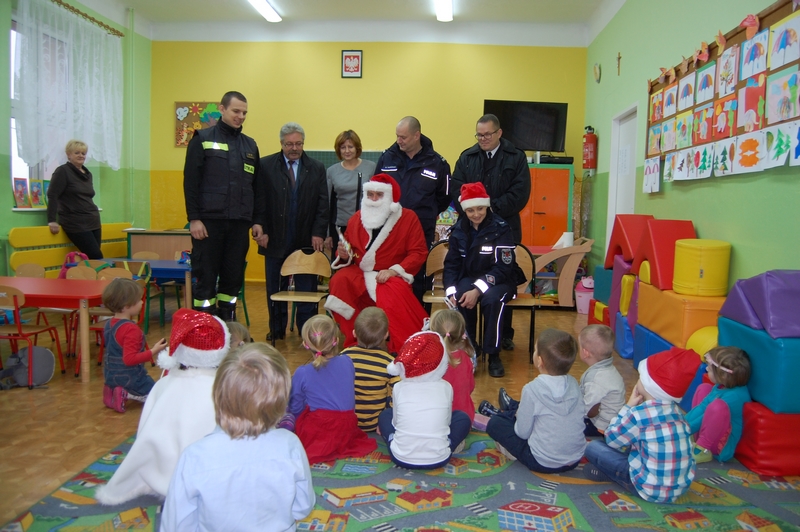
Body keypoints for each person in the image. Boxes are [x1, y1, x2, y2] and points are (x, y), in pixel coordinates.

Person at [160, 344, 315, 530]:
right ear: (280, 401)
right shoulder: (290, 445)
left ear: (218, 394)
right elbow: (302, 507)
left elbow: (175, 524)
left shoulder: (194, 456)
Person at [95, 309, 231, 505]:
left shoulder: (164, 384)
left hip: (160, 466)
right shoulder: (223, 389)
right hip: (207, 470)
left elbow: (146, 428)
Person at [183, 91, 265, 321]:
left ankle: (228, 326)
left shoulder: (250, 145)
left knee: (233, 279)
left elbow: (256, 187)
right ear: (222, 109)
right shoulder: (202, 138)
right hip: (209, 224)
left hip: (239, 224)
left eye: (244, 113)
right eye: (236, 111)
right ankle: (204, 327)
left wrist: (258, 220)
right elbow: (191, 182)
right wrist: (194, 219)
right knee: (206, 277)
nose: (241, 116)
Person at [452, 114, 531, 351]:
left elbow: (520, 193)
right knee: (469, 277)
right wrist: (474, 211)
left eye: (487, 134)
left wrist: (488, 210)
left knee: (502, 279)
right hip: (472, 230)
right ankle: (471, 340)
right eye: (479, 135)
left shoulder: (516, 157)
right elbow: (456, 189)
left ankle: (503, 334)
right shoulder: (467, 157)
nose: (483, 139)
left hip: (505, 228)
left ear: (499, 133)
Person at [325, 174, 429, 353]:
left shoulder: (408, 218)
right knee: (340, 281)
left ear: (389, 197)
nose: (373, 199)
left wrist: (394, 271)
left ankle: (396, 345)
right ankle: (356, 340)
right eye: (370, 194)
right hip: (361, 272)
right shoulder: (356, 219)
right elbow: (349, 250)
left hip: (391, 274)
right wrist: (343, 254)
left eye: (379, 195)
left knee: (391, 292)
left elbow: (418, 252)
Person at [583, 347, 701, 503]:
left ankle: (612, 475)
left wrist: (628, 407)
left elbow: (611, 439)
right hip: (679, 488)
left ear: (647, 384)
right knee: (632, 443)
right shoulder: (678, 414)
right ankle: (610, 473)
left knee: (593, 447)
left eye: (640, 376)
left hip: (647, 488)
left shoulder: (639, 414)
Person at [443, 182, 524, 378]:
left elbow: (504, 267)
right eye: (470, 210)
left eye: (480, 208)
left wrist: (478, 290)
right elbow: (451, 265)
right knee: (461, 296)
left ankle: (493, 354)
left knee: (492, 300)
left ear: (487, 206)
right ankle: (472, 349)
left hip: (501, 279)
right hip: (470, 277)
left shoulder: (501, 228)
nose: (476, 214)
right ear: (464, 210)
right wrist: (451, 292)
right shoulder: (459, 230)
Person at [258, 122, 328, 341]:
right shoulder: (265, 165)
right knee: (275, 288)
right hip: (274, 237)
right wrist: (261, 228)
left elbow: (322, 204)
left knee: (306, 289)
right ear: (281, 143)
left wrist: (318, 232)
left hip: (306, 239)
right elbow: (259, 200)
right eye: (289, 144)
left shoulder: (316, 168)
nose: (294, 148)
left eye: (298, 143)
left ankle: (307, 331)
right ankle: (277, 329)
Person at [482, 329, 585, 473]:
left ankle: (505, 413)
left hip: (542, 462)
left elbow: (522, 433)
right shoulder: (574, 383)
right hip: (574, 458)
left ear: (540, 361)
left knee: (495, 423)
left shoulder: (531, 389)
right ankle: (511, 409)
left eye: (535, 350)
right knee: (528, 413)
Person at [374, 116, 451, 300]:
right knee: (389, 276)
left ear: (417, 135)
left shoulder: (437, 163)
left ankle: (418, 315)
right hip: (390, 229)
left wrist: (426, 213)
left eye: (403, 137)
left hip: (421, 230)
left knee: (417, 277)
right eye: (397, 136)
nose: (398, 140)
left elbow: (445, 197)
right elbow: (376, 189)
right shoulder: (386, 158)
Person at [288, 315, 376, 464]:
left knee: (288, 408)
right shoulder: (347, 361)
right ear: (336, 340)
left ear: (305, 344)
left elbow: (295, 406)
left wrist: (295, 424)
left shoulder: (302, 372)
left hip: (321, 428)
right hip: (347, 426)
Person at [379, 331, 471, 469]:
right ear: (441, 362)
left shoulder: (399, 387)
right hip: (440, 458)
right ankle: (450, 444)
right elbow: (447, 422)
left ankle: (392, 440)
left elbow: (396, 422)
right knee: (462, 418)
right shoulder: (446, 387)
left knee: (385, 415)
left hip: (401, 458)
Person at [101, 278, 167, 413]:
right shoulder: (131, 329)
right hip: (129, 378)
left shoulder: (108, 324)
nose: (142, 302)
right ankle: (125, 393)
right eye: (138, 300)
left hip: (109, 375)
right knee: (157, 395)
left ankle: (111, 391)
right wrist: (154, 350)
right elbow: (130, 359)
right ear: (126, 306)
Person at [684, 346, 751, 464]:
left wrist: (682, 430)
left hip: (721, 446)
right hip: (709, 433)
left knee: (717, 406)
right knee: (704, 388)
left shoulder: (735, 396)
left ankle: (702, 450)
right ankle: (693, 437)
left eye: (709, 369)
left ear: (724, 375)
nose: (706, 369)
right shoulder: (721, 386)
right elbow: (701, 408)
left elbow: (704, 416)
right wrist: (681, 423)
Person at [342, 306, 399, 432]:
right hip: (376, 424)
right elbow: (397, 396)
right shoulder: (390, 364)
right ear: (386, 335)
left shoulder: (343, 357)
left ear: (354, 333)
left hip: (347, 421)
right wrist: (385, 420)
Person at [47, 140, 104, 259]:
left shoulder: (87, 174)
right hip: (75, 222)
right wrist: (51, 220)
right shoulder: (63, 171)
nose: (81, 155)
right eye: (77, 153)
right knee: (96, 256)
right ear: (69, 154)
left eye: (83, 153)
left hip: (93, 220)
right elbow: (53, 195)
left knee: (92, 259)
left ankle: (87, 272)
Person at [326, 130, 376, 251]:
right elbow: (327, 204)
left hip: (366, 226)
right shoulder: (332, 171)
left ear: (357, 148)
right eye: (343, 147)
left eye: (350, 147)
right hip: (340, 228)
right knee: (342, 260)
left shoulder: (371, 168)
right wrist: (327, 234)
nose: (347, 151)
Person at [578, 324, 626, 437]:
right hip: (611, 422)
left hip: (601, 428)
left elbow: (587, 411)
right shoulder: (609, 369)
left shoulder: (596, 379)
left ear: (585, 353)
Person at [430, 309, 476, 425]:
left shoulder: (431, 360)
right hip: (464, 418)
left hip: (437, 419)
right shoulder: (466, 358)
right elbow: (470, 387)